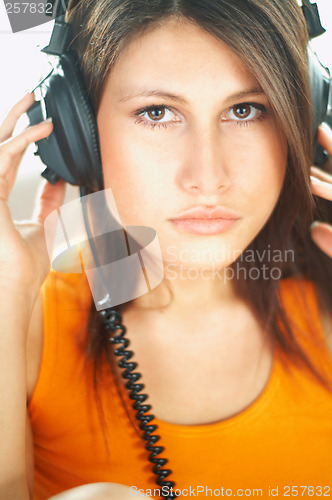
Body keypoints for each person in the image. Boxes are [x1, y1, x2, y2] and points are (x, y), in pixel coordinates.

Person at [1, 0, 332, 499]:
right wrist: (5, 291)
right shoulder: (24, 323)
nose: (208, 178)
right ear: (78, 135)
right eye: (157, 113)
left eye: (246, 110)